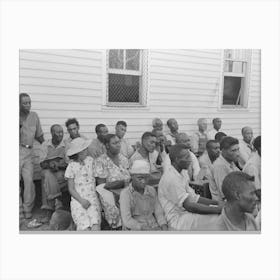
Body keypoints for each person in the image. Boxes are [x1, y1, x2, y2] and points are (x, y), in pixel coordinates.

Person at [158, 144, 223, 231]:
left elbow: (194, 198)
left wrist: (217, 203)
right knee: (218, 218)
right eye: (187, 157)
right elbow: (189, 206)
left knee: (219, 214)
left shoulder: (182, 173)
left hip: (186, 214)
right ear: (177, 160)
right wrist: (219, 209)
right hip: (177, 220)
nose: (190, 160)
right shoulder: (171, 178)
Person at [94, 134, 131, 229]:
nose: (118, 145)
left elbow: (130, 178)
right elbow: (101, 186)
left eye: (119, 142)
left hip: (127, 192)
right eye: (114, 143)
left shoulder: (123, 159)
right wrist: (122, 183)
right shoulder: (100, 161)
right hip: (110, 195)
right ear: (107, 146)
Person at [65, 137, 101, 231]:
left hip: (92, 198)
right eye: (84, 150)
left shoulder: (90, 161)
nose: (86, 151)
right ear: (78, 153)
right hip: (78, 199)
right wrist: (81, 200)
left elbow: (98, 175)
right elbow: (71, 188)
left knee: (95, 225)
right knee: (84, 226)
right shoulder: (71, 166)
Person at [120, 160, 168, 231]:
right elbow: (127, 220)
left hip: (153, 225)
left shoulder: (151, 190)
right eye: (140, 178)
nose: (144, 181)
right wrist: (146, 229)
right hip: (136, 229)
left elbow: (159, 213)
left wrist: (164, 226)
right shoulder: (125, 194)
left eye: (146, 178)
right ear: (132, 176)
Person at [19, 93, 44, 219]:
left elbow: (39, 135)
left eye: (29, 102)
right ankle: (18, 212)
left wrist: (46, 147)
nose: (28, 105)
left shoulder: (34, 116)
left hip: (28, 152)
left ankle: (27, 209)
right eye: (25, 103)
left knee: (29, 181)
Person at [39, 124, 68, 222]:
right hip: (47, 170)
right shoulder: (45, 144)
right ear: (52, 133)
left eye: (62, 132)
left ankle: (49, 210)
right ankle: (57, 202)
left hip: (60, 171)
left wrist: (58, 165)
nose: (60, 134)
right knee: (47, 175)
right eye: (57, 132)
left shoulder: (66, 145)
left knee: (48, 181)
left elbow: (68, 163)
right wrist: (50, 164)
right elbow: (41, 163)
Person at [212, 137, 240, 201]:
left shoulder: (230, 162)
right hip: (226, 203)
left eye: (238, 149)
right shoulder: (219, 166)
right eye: (233, 150)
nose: (238, 154)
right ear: (223, 151)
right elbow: (225, 193)